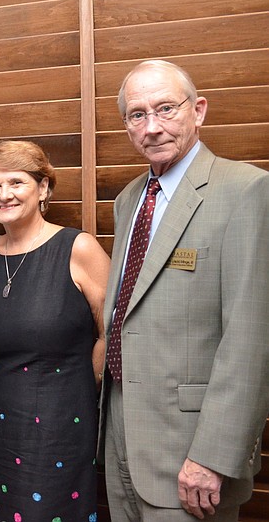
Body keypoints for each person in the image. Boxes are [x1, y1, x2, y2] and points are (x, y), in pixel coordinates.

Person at [101, 59, 269, 521]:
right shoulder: (129, 199)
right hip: (122, 439)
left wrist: (213, 456)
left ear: (198, 111)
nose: (152, 127)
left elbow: (251, 340)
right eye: (137, 115)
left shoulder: (246, 190)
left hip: (192, 455)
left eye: (165, 109)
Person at [0, 140, 110, 521]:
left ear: (44, 187)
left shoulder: (77, 248)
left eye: (16, 182)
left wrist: (79, 389)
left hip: (59, 427)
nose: (4, 194)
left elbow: (112, 332)